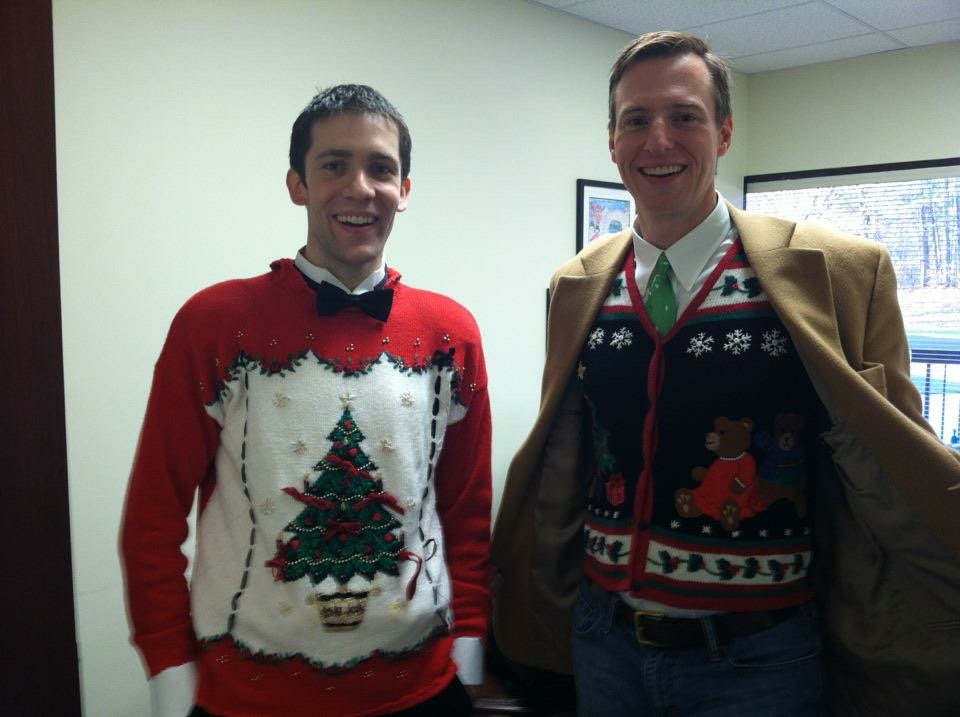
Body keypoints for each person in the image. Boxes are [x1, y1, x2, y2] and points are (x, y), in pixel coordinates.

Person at [491, 31, 960, 716]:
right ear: (612, 140)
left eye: (685, 116)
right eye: (636, 120)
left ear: (725, 131)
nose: (658, 140)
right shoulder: (577, 285)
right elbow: (573, 454)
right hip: (604, 642)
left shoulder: (835, 273)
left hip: (761, 656)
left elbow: (893, 465)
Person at [121, 84, 492, 717]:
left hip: (423, 687)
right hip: (247, 698)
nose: (359, 187)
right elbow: (153, 517)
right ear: (297, 184)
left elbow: (466, 508)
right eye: (334, 165)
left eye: (381, 168)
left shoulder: (451, 333)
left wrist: (472, 639)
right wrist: (170, 669)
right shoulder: (213, 324)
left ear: (405, 189)